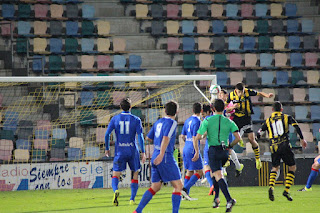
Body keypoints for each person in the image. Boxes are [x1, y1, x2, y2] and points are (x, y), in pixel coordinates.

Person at [134, 101, 183, 213]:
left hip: (155, 155)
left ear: (165, 111)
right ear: (177, 111)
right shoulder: (173, 123)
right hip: (164, 156)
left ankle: (138, 211)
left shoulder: (158, 122)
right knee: (178, 186)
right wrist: (161, 154)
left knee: (155, 186)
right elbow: (166, 138)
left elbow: (148, 138)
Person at [195, 99, 241, 212]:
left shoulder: (208, 120)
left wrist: (204, 135)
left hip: (213, 151)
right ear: (223, 108)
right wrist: (230, 146)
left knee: (218, 174)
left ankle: (229, 199)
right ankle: (216, 199)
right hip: (224, 151)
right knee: (214, 173)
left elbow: (198, 137)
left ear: (213, 109)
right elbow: (238, 138)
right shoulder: (229, 121)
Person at [256, 101, 307, 201]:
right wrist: (302, 139)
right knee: (292, 167)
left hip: (273, 146)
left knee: (275, 167)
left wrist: (258, 138)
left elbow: (259, 132)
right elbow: (296, 126)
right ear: (281, 109)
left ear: (272, 110)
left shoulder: (268, 120)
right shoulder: (287, 117)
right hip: (284, 145)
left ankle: (271, 187)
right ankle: (286, 190)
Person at [105, 98, 146, 206]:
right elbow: (140, 136)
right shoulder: (136, 119)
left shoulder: (115, 118)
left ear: (120, 107)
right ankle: (132, 199)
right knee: (135, 173)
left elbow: (107, 134)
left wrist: (107, 148)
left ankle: (116, 191)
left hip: (120, 151)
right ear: (131, 107)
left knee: (116, 174)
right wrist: (143, 152)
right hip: (133, 150)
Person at [226, 82, 274, 170]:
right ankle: (227, 159)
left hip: (246, 118)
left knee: (251, 139)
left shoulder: (247, 92)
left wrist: (267, 95)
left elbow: (259, 93)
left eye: (243, 91)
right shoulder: (231, 95)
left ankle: (258, 158)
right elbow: (226, 108)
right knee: (233, 139)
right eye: (240, 92)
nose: (242, 93)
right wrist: (233, 108)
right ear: (236, 90)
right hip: (236, 118)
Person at [180, 102, 203, 200]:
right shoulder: (198, 121)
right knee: (200, 172)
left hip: (186, 148)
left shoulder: (187, 120)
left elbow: (182, 136)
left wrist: (188, 143)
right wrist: (196, 151)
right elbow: (195, 137)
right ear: (201, 111)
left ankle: (185, 196)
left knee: (189, 171)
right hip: (193, 148)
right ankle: (185, 189)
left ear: (192, 110)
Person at [219, 89, 244, 177]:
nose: (220, 95)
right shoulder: (219, 104)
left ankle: (224, 169)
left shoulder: (229, 104)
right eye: (219, 94)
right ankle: (237, 166)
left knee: (226, 148)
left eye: (221, 94)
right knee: (226, 148)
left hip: (228, 129)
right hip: (222, 128)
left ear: (226, 95)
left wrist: (233, 107)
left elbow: (229, 111)